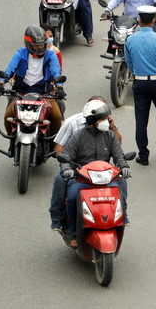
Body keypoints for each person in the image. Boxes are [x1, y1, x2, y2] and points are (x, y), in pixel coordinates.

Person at [59, 99, 132, 244]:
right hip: (82, 178)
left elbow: (118, 155)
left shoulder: (109, 135)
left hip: (106, 177)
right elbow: (66, 157)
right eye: (103, 118)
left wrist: (124, 166)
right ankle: (73, 233)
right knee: (72, 198)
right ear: (92, 120)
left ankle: (122, 215)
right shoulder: (78, 136)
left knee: (121, 187)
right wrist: (67, 169)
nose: (106, 121)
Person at [123, 5, 156, 165]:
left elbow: (129, 63)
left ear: (139, 20)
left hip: (140, 82)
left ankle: (143, 155)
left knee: (141, 120)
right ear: (154, 21)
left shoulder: (130, 39)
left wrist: (138, 74)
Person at [0, 25, 64, 136]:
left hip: (44, 95)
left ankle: (52, 142)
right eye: (36, 46)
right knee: (8, 117)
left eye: (42, 45)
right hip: (20, 94)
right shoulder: (20, 53)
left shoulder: (51, 55)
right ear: (27, 44)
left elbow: (56, 72)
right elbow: (10, 70)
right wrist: (1, 83)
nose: (40, 48)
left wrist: (60, 87)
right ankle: (12, 140)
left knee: (57, 117)